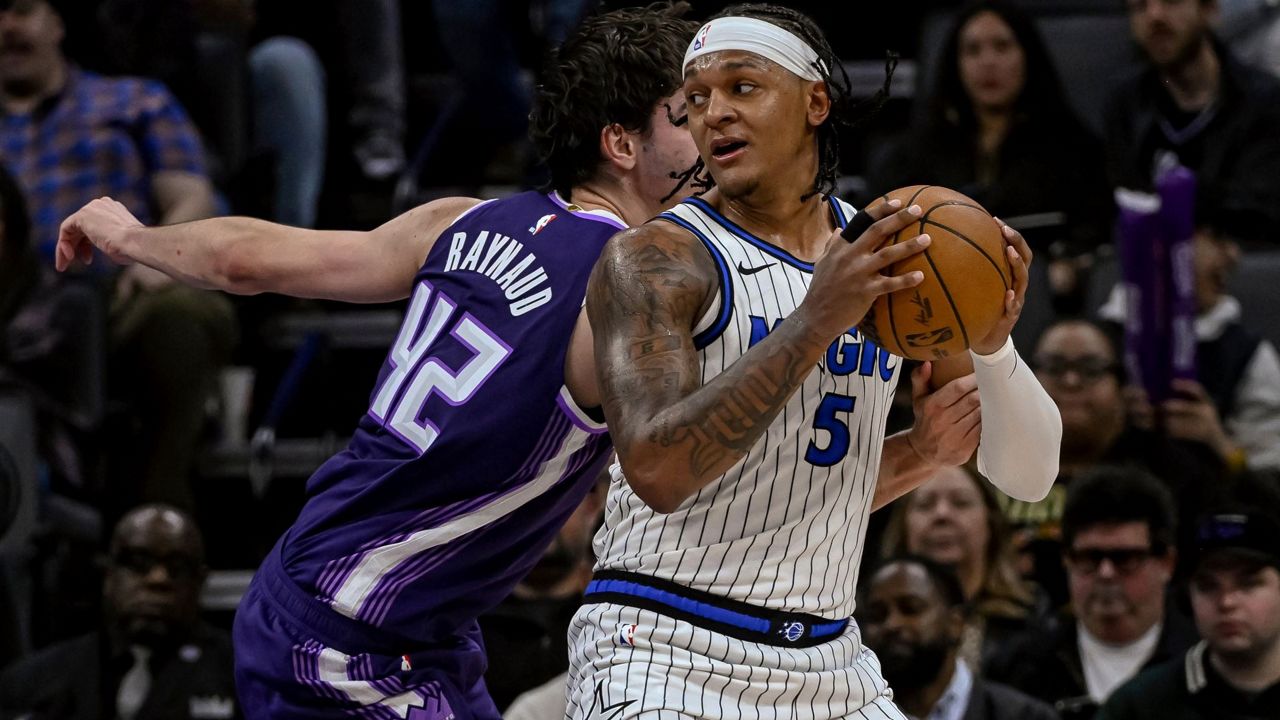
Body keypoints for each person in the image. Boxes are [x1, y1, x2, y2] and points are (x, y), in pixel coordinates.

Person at [53, 5, 713, 717]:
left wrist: (134, 236)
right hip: (345, 645)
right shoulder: (622, 291)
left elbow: (246, 259)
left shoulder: (460, 219)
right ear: (621, 143)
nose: (710, 134)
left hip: (375, 616)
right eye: (686, 116)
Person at [566, 4, 1062, 717]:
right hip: (661, 647)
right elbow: (658, 470)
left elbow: (1028, 477)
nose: (714, 113)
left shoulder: (891, 249)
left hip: (829, 660)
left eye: (743, 87)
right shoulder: (655, 258)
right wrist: (815, 321)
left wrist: (987, 351)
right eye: (696, 99)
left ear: (816, 102)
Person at [0, 0, 237, 513]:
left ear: (58, 23)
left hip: (116, 296)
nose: (7, 27)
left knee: (180, 314)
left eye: (21, 10)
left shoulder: (133, 100)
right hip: (12, 301)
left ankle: (155, 516)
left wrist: (154, 257)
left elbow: (192, 197)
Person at [869, 0, 1111, 310]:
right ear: (955, 64)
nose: (988, 62)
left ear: (1028, 56)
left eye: (1002, 46)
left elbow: (1095, 234)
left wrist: (1070, 265)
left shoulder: (1075, 149)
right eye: (973, 50)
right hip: (937, 297)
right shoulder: (914, 153)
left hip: (1037, 298)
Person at [1011, 317, 1224, 603]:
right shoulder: (990, 456)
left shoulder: (1171, 471)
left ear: (1124, 387)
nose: (1071, 381)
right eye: (1054, 367)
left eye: (1091, 369)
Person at [987, 466, 1199, 720]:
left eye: (1125, 559)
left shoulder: (1203, 663)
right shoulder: (1019, 666)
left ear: (1167, 563)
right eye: (1089, 558)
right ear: (1067, 560)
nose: (1106, 573)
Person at [0, 504, 240, 719]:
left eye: (178, 567)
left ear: (200, 582)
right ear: (109, 575)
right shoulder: (31, 683)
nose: (157, 579)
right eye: (138, 562)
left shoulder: (243, 676)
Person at [1104, 0, 1280, 247]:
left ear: (1209, 10)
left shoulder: (1263, 102)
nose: (1155, 15)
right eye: (1140, 6)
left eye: (1171, 1)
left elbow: (1261, 214)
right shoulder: (1126, 103)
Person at [1097, 510, 1280, 720]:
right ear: (1188, 596)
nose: (1226, 602)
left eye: (1248, 585)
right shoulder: (1139, 706)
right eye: (1208, 586)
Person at [880, 465, 1047, 675]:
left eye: (961, 502)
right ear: (903, 527)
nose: (942, 514)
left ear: (991, 523)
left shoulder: (1033, 618)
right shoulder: (869, 623)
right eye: (925, 504)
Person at [860, 556, 1059, 720]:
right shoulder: (853, 714)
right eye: (876, 615)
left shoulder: (1027, 716)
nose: (892, 624)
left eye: (910, 608)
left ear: (956, 623)